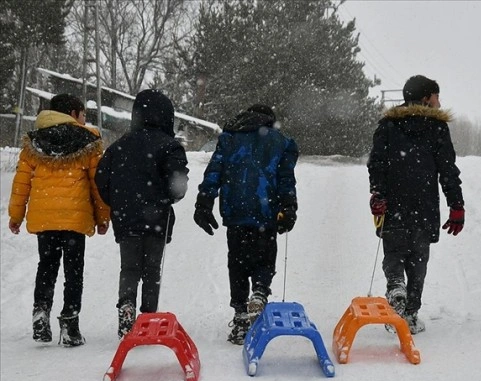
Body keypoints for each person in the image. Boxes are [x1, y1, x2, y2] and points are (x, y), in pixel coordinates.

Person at [8, 93, 110, 346]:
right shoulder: (88, 140)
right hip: (75, 219)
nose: (85, 119)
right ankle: (70, 324)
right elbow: (97, 184)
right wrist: (103, 216)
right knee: (73, 272)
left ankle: (40, 311)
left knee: (47, 267)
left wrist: (16, 215)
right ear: (73, 114)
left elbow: (21, 183)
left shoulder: (34, 142)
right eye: (83, 114)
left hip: (45, 219)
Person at [367, 75, 465, 334]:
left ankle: (396, 285)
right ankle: (409, 314)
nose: (439, 102)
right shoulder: (437, 128)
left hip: (394, 205)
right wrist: (456, 205)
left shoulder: (388, 125)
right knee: (418, 260)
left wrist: (377, 193)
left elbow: (376, 163)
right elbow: (448, 170)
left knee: (394, 253)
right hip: (424, 207)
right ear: (425, 98)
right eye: (436, 96)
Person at [193, 104, 298, 345]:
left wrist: (204, 202)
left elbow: (214, 171)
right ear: (270, 121)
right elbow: (285, 179)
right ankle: (260, 292)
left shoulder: (229, 138)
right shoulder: (280, 142)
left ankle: (240, 316)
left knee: (238, 262)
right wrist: (289, 207)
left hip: (236, 211)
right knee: (265, 257)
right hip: (267, 211)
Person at [95, 89, 189, 339]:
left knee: (129, 268)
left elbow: (102, 180)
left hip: (126, 218)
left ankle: (126, 307)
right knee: (151, 270)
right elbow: (177, 186)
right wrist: (169, 197)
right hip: (157, 218)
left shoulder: (119, 146)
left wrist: (117, 202)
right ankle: (147, 317)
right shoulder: (169, 146)